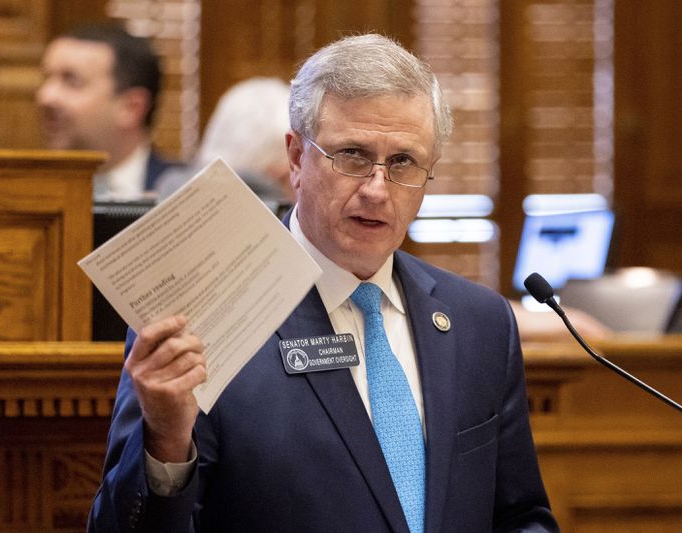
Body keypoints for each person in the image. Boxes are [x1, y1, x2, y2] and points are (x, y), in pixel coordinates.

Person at [88, 34, 558, 532]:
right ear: (295, 159)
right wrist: (166, 441)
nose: (377, 190)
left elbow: (520, 516)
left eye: (402, 162)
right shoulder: (199, 321)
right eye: (353, 155)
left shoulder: (478, 321)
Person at [36, 23, 177, 201]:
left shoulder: (185, 197)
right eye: (46, 78)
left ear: (131, 107)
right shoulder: (26, 192)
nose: (45, 97)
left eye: (71, 82)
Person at [156, 77, 294, 215]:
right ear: (275, 174)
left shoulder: (168, 197)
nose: (297, 183)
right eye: (287, 175)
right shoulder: (272, 210)